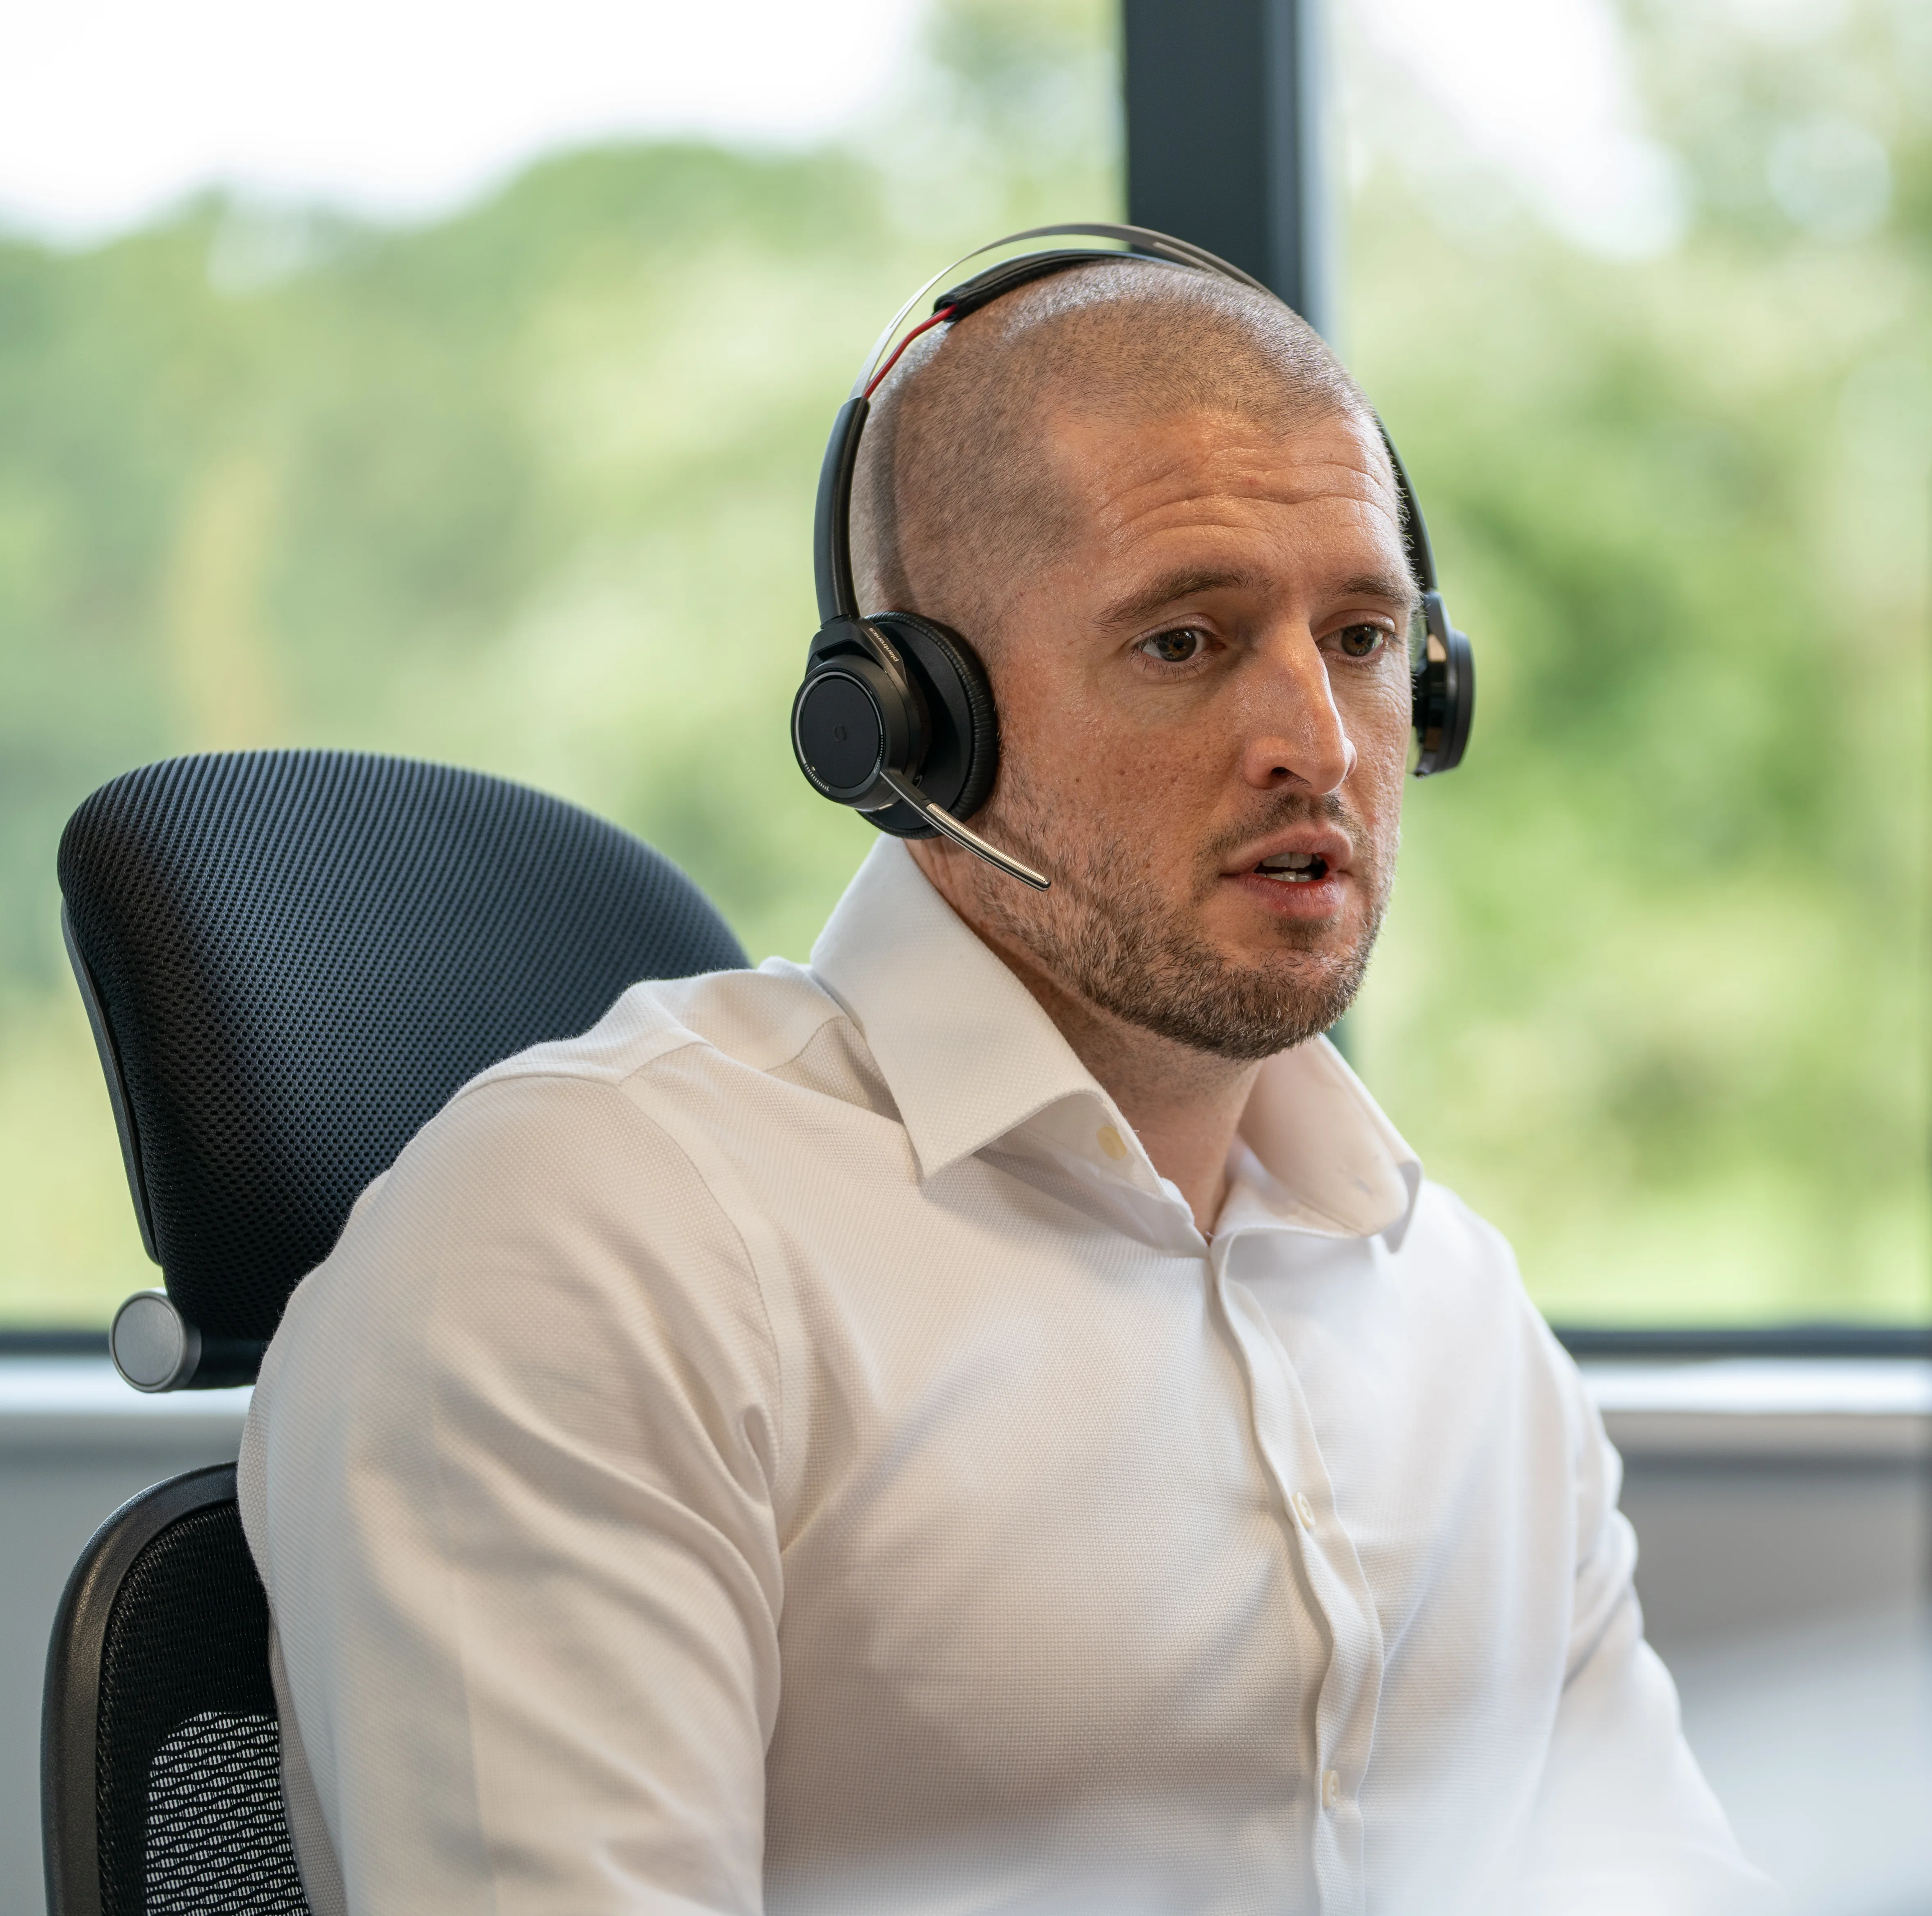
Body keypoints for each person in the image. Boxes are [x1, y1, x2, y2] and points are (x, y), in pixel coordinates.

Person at [240, 244, 1772, 1915]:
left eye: (1360, 637)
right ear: (912, 728)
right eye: (1185, 642)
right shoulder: (593, 1247)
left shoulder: (1457, 1307)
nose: (1320, 743)